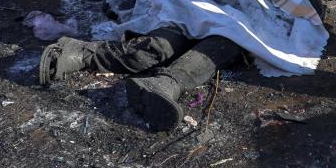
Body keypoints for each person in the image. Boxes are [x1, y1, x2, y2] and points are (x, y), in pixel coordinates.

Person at [40, 31, 241, 132]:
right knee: (158, 49)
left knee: (223, 45)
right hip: (193, 8)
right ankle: (81, 52)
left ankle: (165, 84)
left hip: (235, 23)